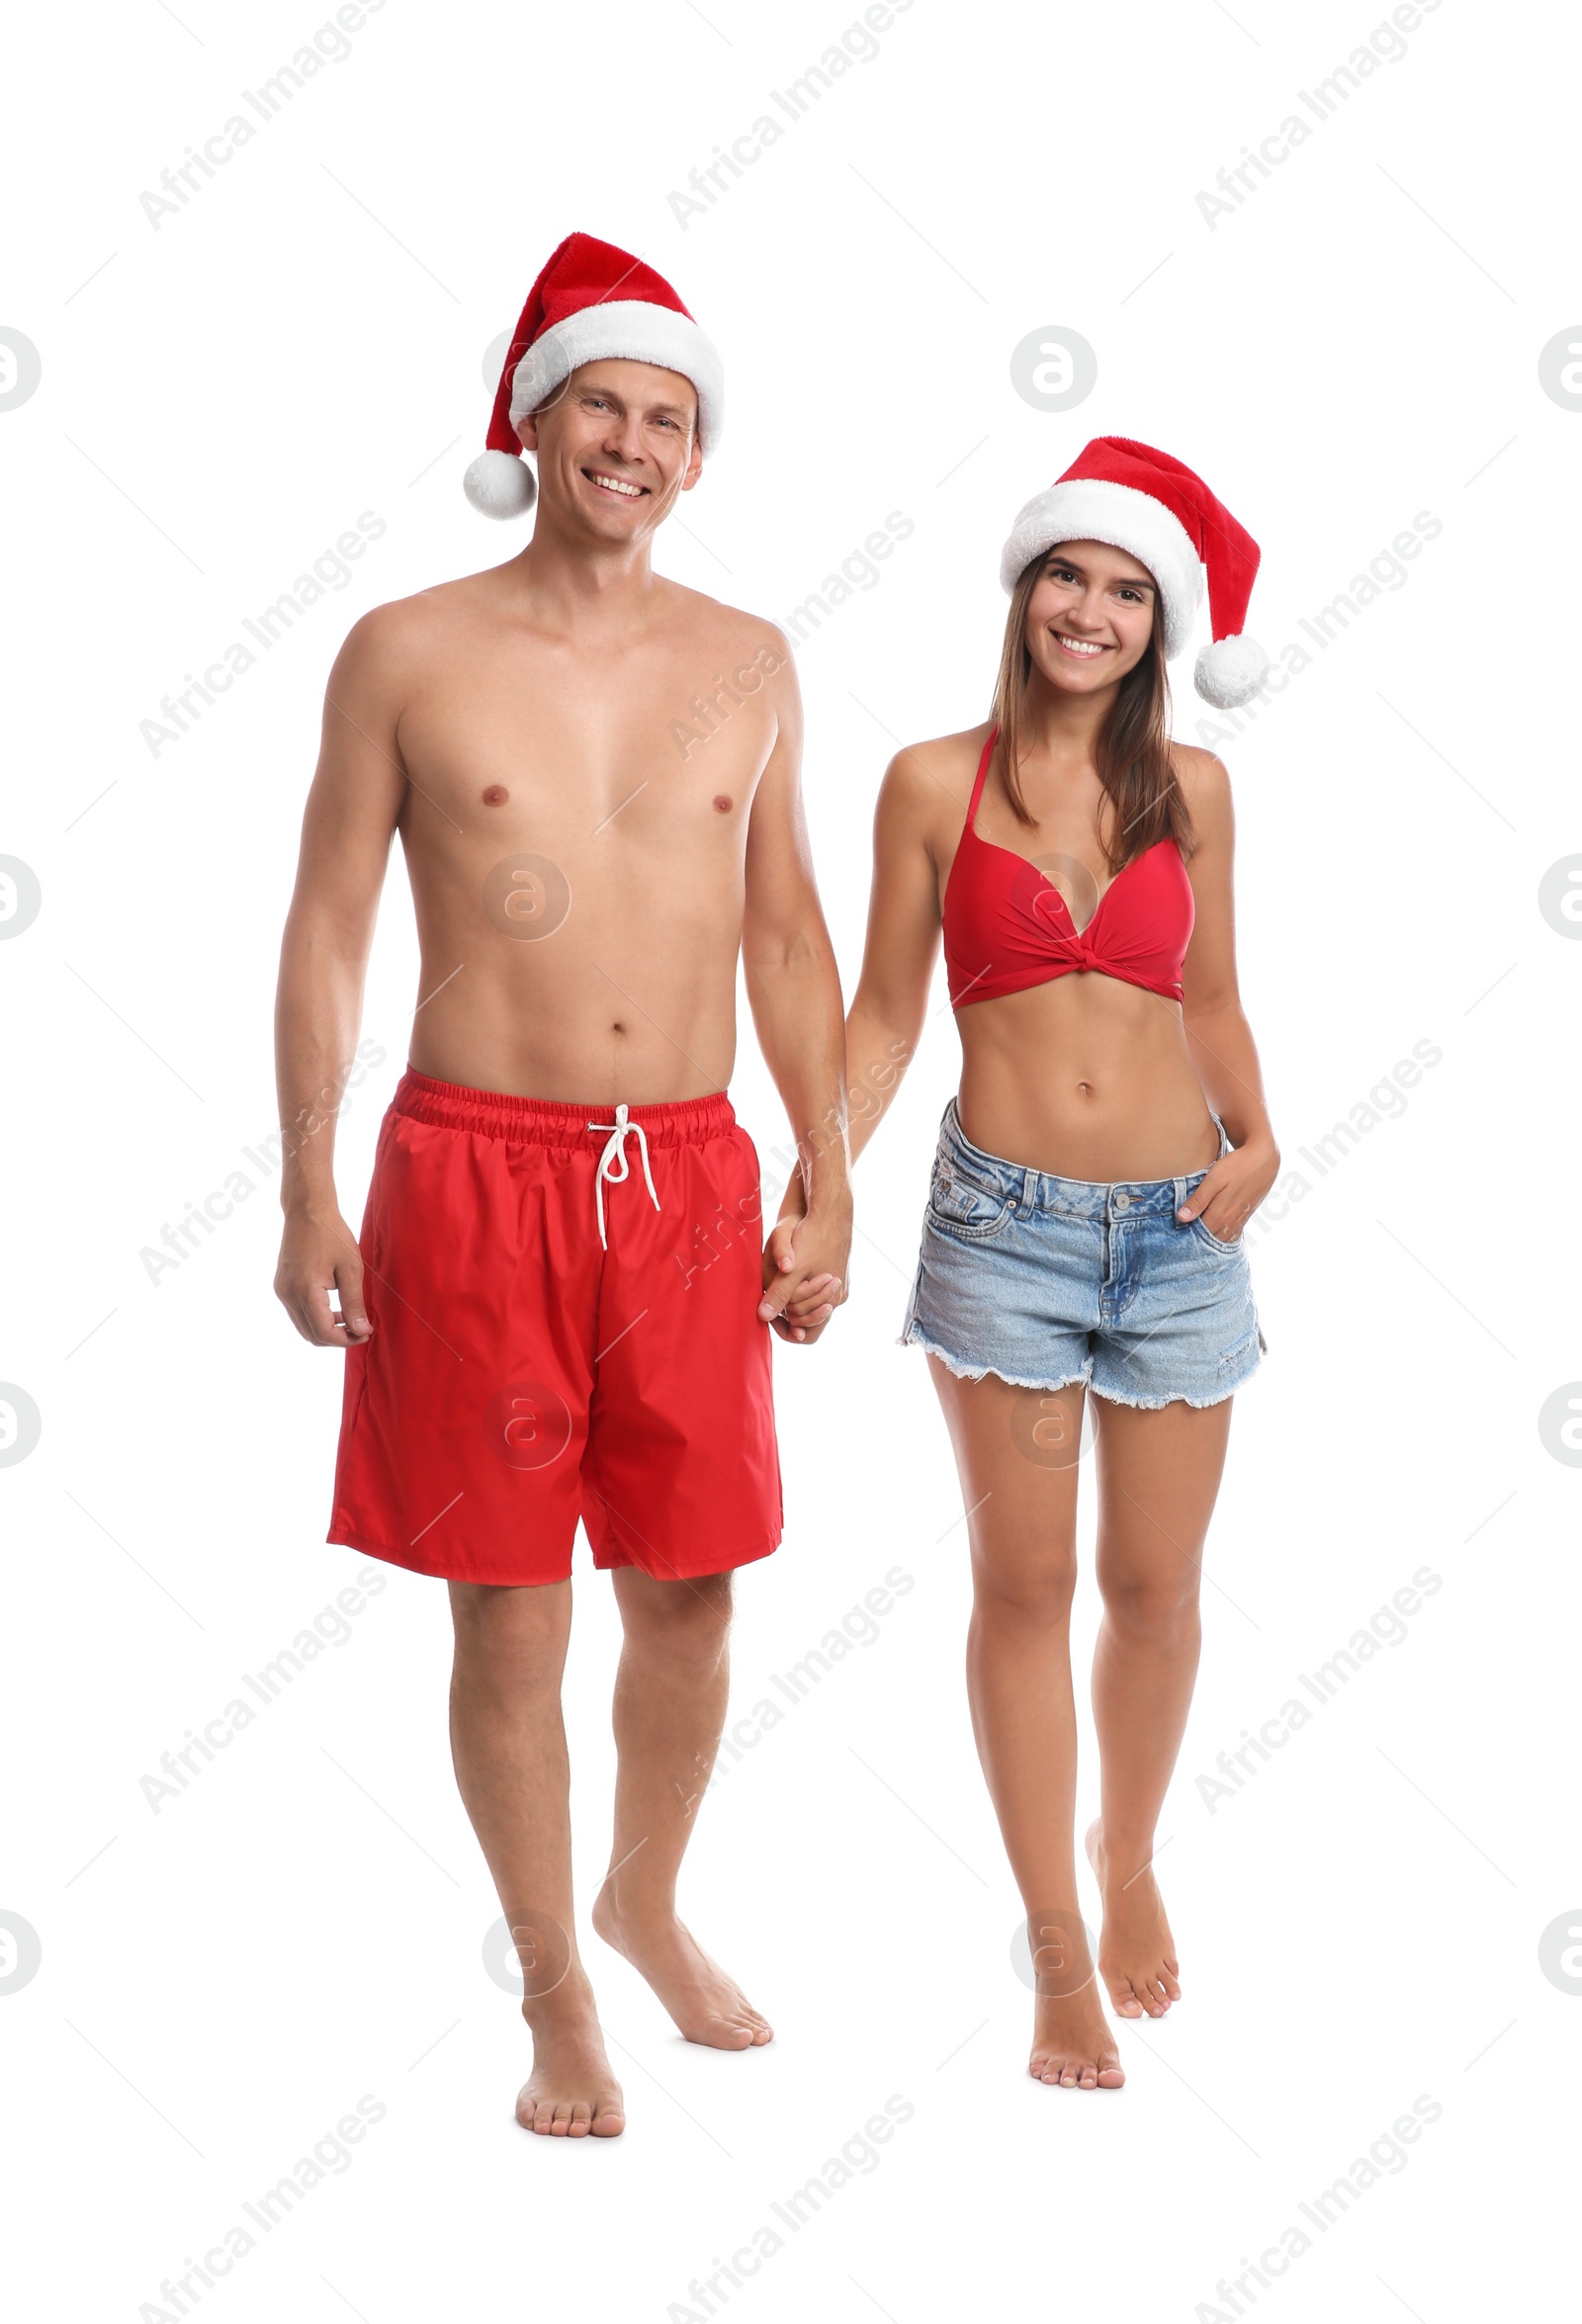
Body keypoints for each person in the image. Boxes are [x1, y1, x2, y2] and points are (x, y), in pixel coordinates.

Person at [273, 232, 850, 2140]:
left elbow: (785, 934)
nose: (632, 440)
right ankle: (552, 1986)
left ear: (700, 456)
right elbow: (329, 929)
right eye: (601, 402)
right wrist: (302, 1183)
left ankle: (648, 1896)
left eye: (667, 417)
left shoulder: (750, 658)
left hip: (687, 1178)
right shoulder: (408, 651)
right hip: (473, 1170)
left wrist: (828, 1169)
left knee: (690, 1593)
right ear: (533, 422)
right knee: (508, 1609)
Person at [778, 437, 1278, 2090]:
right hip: (1006, 1232)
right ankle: (1054, 1945)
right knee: (1027, 1587)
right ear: (1024, 586)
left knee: (1155, 1592)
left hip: (1179, 1234)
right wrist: (824, 1179)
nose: (1093, 609)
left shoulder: (1193, 791)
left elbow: (1206, 1001)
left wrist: (1260, 1137)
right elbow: (881, 1014)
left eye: (1131, 591)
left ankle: (1129, 1853)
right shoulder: (934, 781)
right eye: (1071, 573)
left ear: (1161, 623)